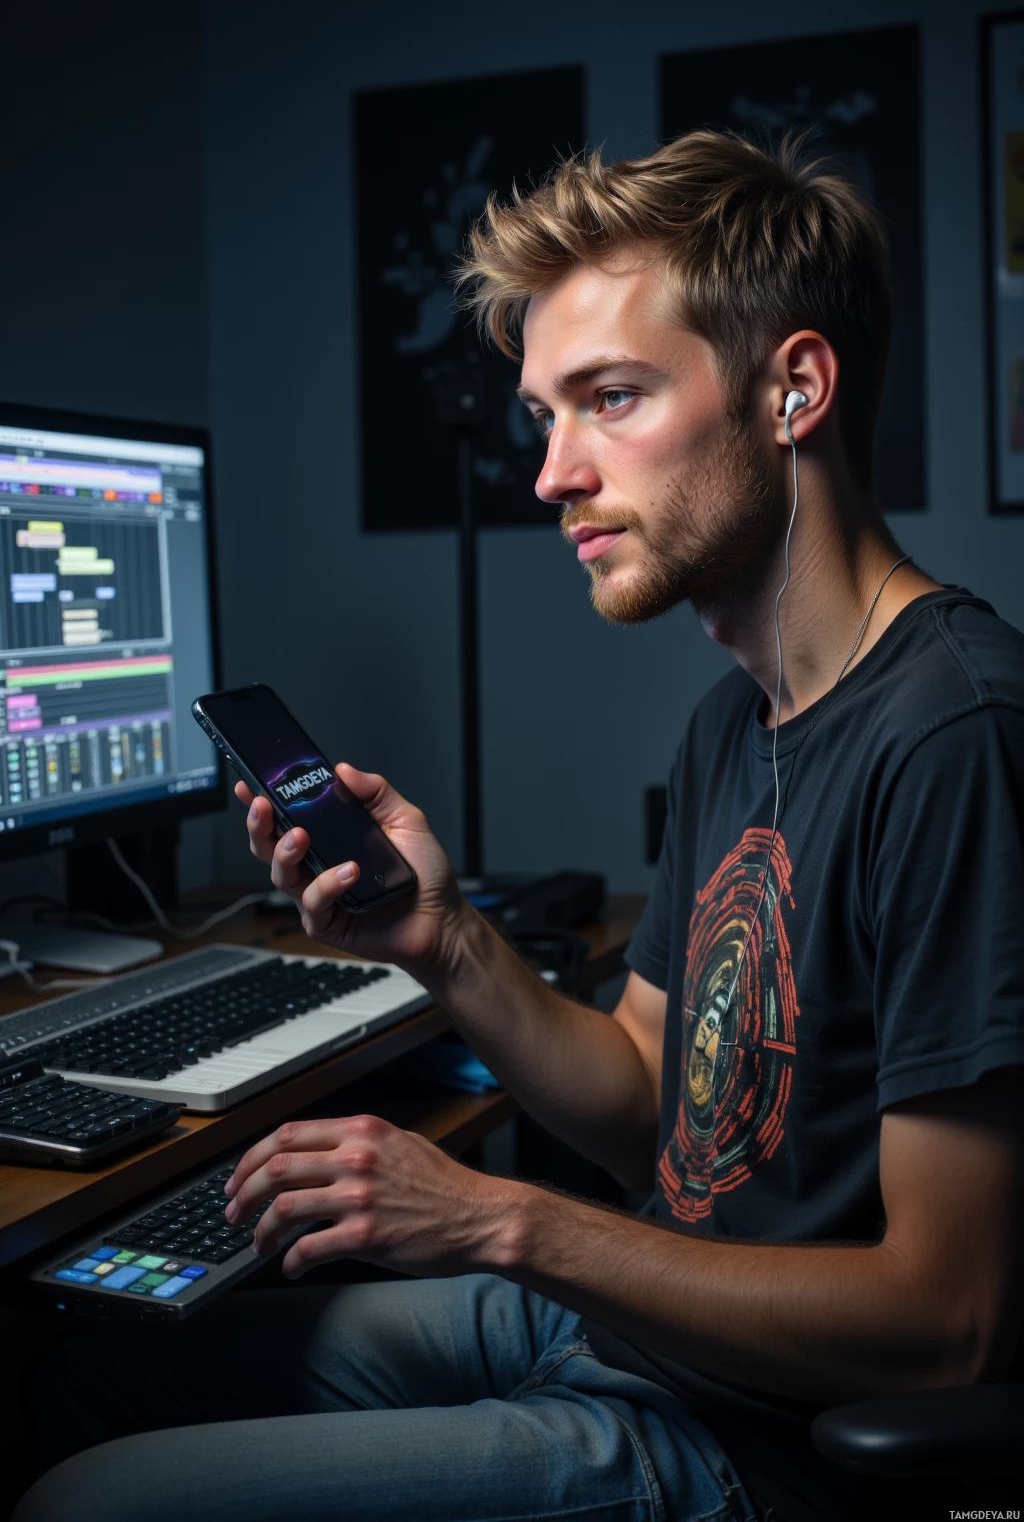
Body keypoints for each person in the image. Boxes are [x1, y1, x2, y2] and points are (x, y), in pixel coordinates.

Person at [15, 131, 1024, 1522]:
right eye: (545, 414)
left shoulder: (954, 738)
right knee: (82, 1370)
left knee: (87, 1504)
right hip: (646, 1345)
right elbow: (647, 1110)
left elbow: (947, 1322)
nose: (552, 474)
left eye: (609, 399)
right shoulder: (738, 718)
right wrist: (447, 942)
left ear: (794, 388)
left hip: (759, 1452)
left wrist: (499, 1221)